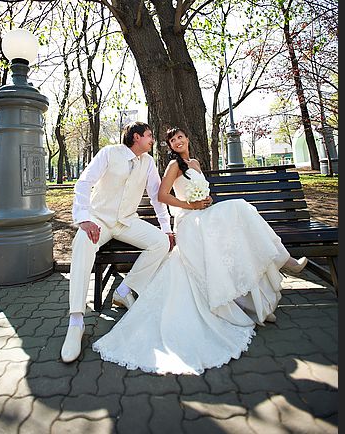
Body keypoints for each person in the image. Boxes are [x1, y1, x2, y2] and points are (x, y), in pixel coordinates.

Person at [92, 127, 308, 375]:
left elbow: (205, 194)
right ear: (171, 146)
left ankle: (255, 302)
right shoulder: (173, 166)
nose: (177, 141)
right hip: (188, 220)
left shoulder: (194, 163)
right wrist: (190, 205)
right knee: (240, 208)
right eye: (172, 140)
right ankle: (283, 260)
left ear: (187, 138)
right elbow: (162, 196)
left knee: (240, 222)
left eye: (180, 137)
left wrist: (205, 203)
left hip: (203, 215)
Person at [60, 122, 174, 363]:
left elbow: (156, 196)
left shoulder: (148, 163)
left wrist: (166, 228)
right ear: (136, 137)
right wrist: (84, 219)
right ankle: (76, 321)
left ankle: (124, 290)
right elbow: (83, 183)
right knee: (81, 244)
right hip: (99, 220)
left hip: (127, 222)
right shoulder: (109, 153)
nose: (152, 140)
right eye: (149, 136)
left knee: (161, 243)